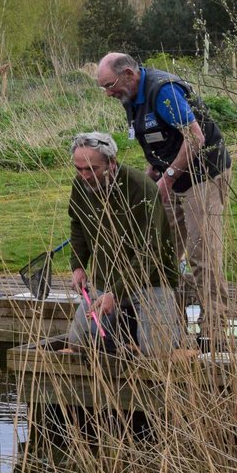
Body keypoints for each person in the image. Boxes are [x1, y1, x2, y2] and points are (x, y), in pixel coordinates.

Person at [95, 52, 232, 341]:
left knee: (201, 252)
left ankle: (215, 331)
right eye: (104, 88)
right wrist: (150, 179)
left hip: (202, 176)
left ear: (129, 74)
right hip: (173, 176)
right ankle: (172, 323)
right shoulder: (131, 98)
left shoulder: (164, 91)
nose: (108, 93)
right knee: (160, 251)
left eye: (110, 85)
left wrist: (167, 178)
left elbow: (195, 137)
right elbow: (160, 143)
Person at [66, 132, 182, 355]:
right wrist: (78, 265)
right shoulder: (80, 185)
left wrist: (116, 294)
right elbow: (78, 223)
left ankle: (147, 326)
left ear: (111, 162)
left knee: (157, 352)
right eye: (79, 169)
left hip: (150, 281)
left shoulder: (142, 188)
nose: (84, 176)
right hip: (105, 280)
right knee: (79, 344)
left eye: (91, 169)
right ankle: (123, 328)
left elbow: (150, 252)